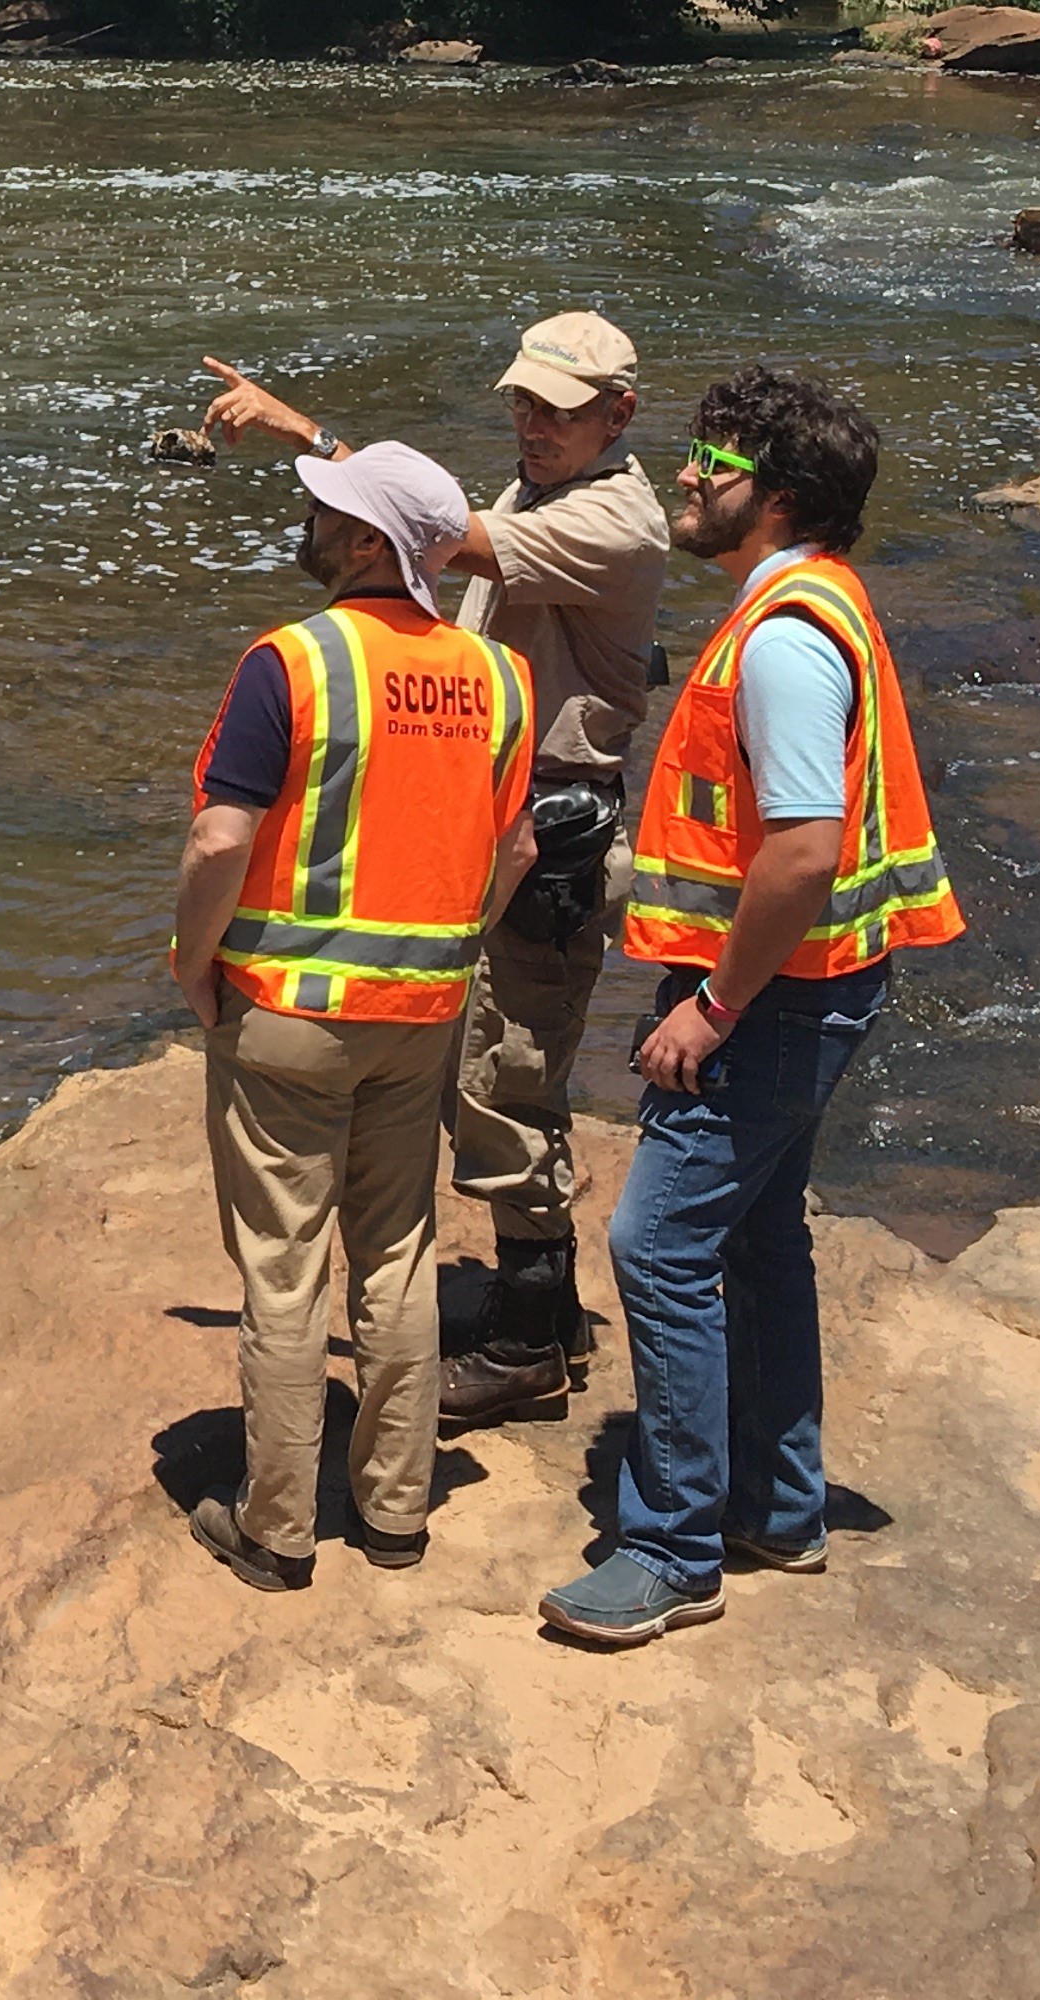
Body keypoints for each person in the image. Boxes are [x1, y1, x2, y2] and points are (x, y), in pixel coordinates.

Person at [535, 364, 965, 1652]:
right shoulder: (811, 603)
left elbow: (801, 851)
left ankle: (672, 1548)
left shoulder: (780, 642)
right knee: (760, 1238)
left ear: (771, 497)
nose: (681, 475)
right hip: (816, 989)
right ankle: (777, 1507)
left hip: (771, 999)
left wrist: (710, 1010)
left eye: (710, 464)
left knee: (658, 1247)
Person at [199, 317, 670, 1425]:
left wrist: (307, 433)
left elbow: (433, 541)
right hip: (503, 814)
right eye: (523, 400)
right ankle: (541, 1319)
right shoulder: (539, 493)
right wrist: (312, 437)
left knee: (505, 1073)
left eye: (559, 409)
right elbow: (424, 524)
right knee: (483, 1061)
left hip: (547, 833)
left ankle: (525, 1343)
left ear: (617, 415)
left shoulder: (614, 515)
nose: (533, 422)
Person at [168, 442, 539, 1592]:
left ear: (371, 545)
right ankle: (394, 1515)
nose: (309, 518)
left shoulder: (293, 663)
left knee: (284, 1271)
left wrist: (194, 962)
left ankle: (278, 1531)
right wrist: (450, 949)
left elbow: (221, 839)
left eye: (328, 510)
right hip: (419, 1013)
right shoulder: (500, 676)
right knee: (400, 1250)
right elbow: (514, 849)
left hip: (284, 1014)